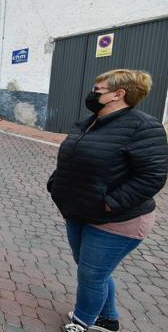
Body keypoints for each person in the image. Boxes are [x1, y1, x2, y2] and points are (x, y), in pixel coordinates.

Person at [48, 69, 168, 332]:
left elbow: (153, 177)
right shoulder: (89, 122)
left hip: (118, 220)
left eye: (98, 90)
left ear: (118, 94)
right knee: (94, 271)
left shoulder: (144, 127)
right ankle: (108, 319)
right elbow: (74, 157)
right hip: (79, 211)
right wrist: (56, 183)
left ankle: (82, 321)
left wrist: (109, 202)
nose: (92, 93)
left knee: (91, 274)